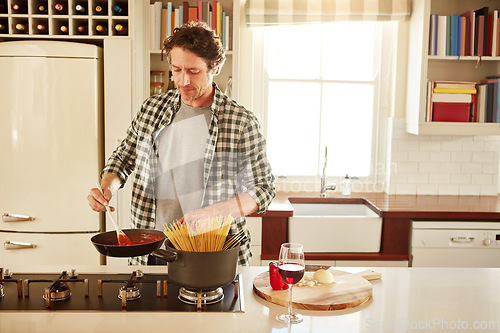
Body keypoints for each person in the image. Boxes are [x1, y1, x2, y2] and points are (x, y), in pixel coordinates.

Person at [87, 21, 275, 266]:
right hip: (151, 249)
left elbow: (263, 189)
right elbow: (123, 158)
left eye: (194, 71)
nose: (183, 80)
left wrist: (214, 213)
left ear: (215, 67)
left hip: (212, 254)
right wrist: (107, 188)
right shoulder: (152, 109)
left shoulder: (241, 121)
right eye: (176, 70)